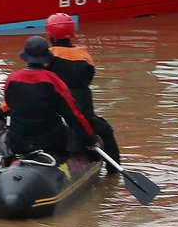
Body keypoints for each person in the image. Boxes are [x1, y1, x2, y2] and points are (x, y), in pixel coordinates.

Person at [0, 36, 97, 160]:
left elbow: (9, 104)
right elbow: (73, 114)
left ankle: (7, 160)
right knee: (67, 133)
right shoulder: (54, 81)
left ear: (26, 57)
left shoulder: (12, 79)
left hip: (19, 141)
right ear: (46, 57)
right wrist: (90, 138)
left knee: (4, 136)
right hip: (49, 142)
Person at [44, 12, 122, 166]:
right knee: (107, 131)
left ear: (50, 34)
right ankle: (113, 170)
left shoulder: (48, 55)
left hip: (54, 114)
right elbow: (88, 77)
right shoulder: (83, 53)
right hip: (84, 116)